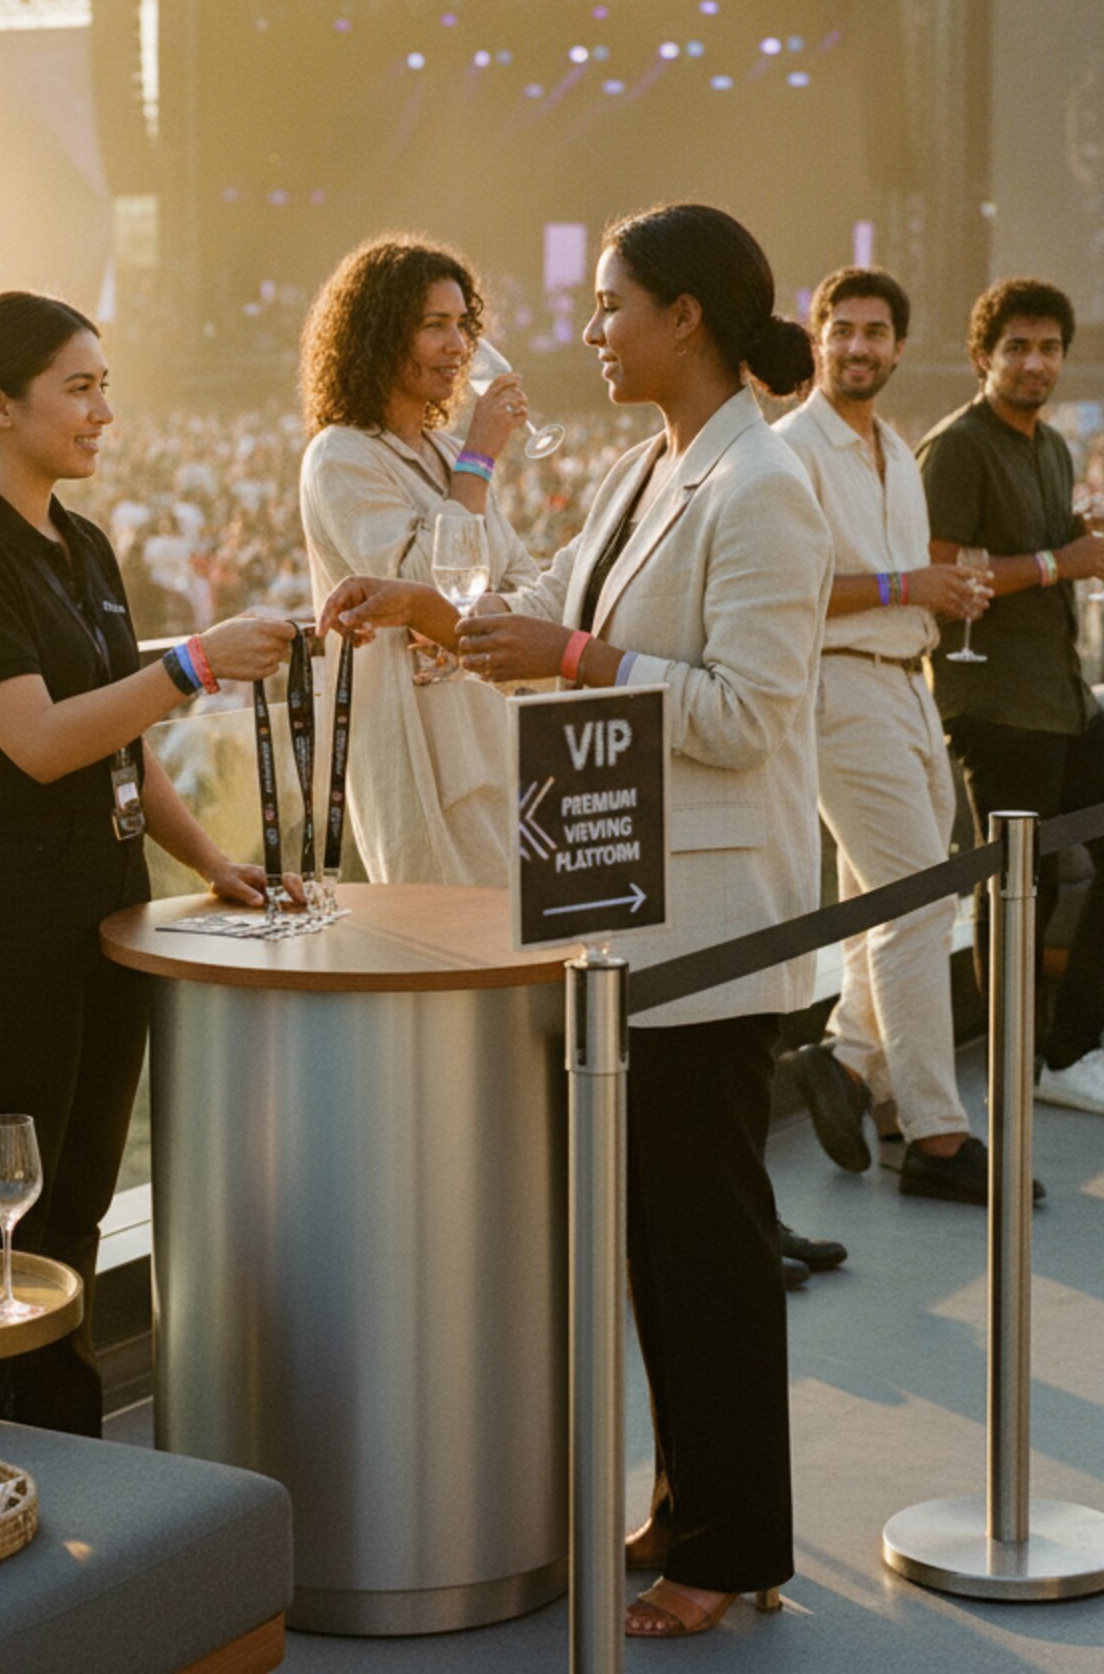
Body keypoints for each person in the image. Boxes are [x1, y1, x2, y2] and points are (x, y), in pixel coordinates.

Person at [323, 203, 830, 1640]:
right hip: (624, 907)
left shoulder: (765, 485)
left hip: (711, 920)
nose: (591, 329)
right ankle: (692, 1505)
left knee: (710, 1246)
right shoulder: (648, 468)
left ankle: (729, 1551)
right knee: (658, 1244)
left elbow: (743, 714)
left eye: (613, 305)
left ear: (689, 318)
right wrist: (428, 607)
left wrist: (578, 657)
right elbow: (542, 598)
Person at [0, 288, 298, 1436]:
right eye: (78, 387)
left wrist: (211, 861)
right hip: (2, 907)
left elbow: (114, 742)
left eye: (103, 385)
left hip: (101, 893)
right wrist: (192, 664)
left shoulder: (78, 541)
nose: (102, 412)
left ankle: (53, 1446)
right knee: (1, 1211)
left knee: (70, 1202)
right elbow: (34, 741)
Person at [773, 266, 1024, 1207]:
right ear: (815, 337)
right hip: (840, 688)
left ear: (899, 348)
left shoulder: (894, 450)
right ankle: (940, 1138)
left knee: (893, 896)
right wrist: (907, 586)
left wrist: (940, 588)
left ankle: (848, 1065)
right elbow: (787, 593)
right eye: (841, 330)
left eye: (874, 333)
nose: (857, 347)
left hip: (910, 683)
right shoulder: (789, 453)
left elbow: (909, 575)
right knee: (922, 902)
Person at [916, 277, 1104, 1116]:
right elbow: (940, 569)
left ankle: (1068, 1050)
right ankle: (1022, 1064)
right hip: (992, 697)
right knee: (1021, 886)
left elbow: (1051, 550)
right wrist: (1063, 562)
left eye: (1049, 348)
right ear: (982, 356)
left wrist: (1082, 542)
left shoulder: (1051, 446)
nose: (1035, 363)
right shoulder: (956, 446)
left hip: (1061, 689)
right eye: (1017, 347)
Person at [296, 234, 542, 885]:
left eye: (462, 325)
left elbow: (521, 578)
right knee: (449, 965)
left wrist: (455, 619)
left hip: (495, 743)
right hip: (419, 762)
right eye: (434, 325)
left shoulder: (445, 452)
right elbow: (414, 580)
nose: (458, 346)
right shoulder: (341, 455)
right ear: (378, 334)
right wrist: (481, 456)